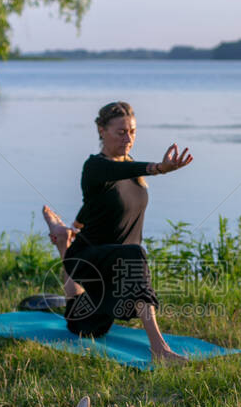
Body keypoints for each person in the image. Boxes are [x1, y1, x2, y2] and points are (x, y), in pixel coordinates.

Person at [42, 101, 193, 363]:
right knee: (136, 254)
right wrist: (159, 168)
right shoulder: (95, 166)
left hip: (115, 267)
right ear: (102, 130)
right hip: (91, 260)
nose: (128, 138)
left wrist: (74, 228)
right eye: (121, 132)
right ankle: (160, 349)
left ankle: (63, 243)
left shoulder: (130, 166)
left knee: (86, 328)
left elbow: (95, 206)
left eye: (132, 131)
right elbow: (116, 172)